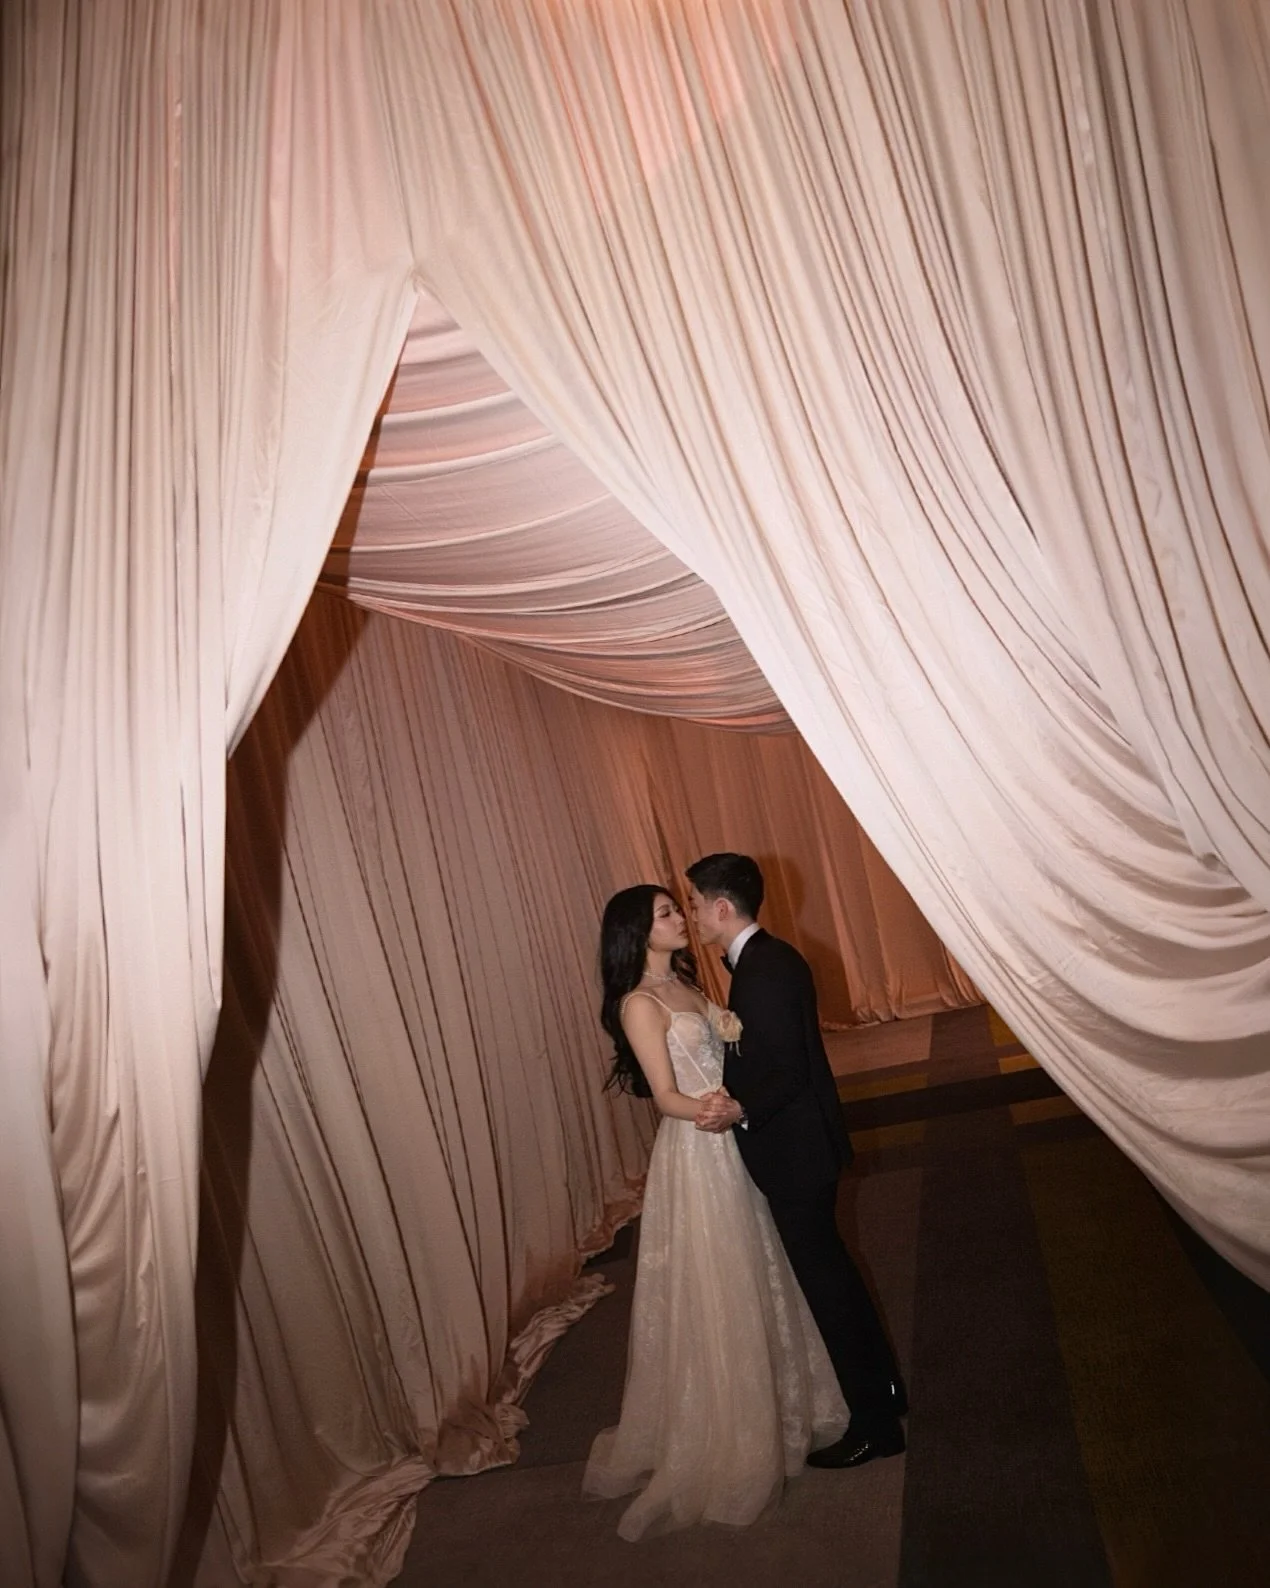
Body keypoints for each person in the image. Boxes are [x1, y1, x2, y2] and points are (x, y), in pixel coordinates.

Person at [582, 884, 848, 1540]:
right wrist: (712, 1109)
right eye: (667, 913)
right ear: (637, 933)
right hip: (700, 1148)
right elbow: (664, 1095)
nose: (680, 918)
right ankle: (728, 1428)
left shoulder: (686, 985)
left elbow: (731, 1043)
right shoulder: (639, 1002)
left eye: (679, 907)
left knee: (765, 1266)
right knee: (719, 1278)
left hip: (735, 1134)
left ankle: (783, 1402)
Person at [687, 853, 908, 1468]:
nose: (695, 915)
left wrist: (738, 1109)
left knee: (828, 1288)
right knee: (836, 1277)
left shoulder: (767, 969)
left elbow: (787, 1071)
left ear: (723, 907)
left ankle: (875, 1427)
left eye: (698, 904)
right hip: (800, 1148)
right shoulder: (763, 961)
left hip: (797, 1153)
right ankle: (887, 1392)